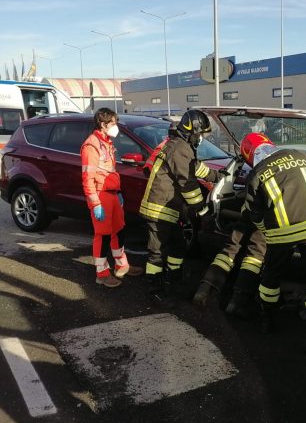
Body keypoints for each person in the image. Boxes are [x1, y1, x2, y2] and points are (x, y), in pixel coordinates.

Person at [240, 132, 306, 352]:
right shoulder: (298, 155)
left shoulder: (255, 175)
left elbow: (254, 214)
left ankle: (266, 319)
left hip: (281, 233)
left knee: (271, 276)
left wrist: (268, 232)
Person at [139, 109, 221, 305]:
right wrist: (202, 209)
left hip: (167, 208)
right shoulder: (180, 149)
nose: (201, 138)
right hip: (159, 209)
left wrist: (219, 177)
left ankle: (173, 281)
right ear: (193, 130)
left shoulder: (181, 147)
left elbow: (195, 168)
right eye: (201, 134)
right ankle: (155, 290)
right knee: (157, 252)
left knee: (178, 246)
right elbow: (188, 184)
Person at [81, 107, 142, 288]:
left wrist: (119, 192)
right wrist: (96, 203)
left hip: (112, 194)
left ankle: (121, 265)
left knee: (119, 230)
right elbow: (87, 179)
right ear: (103, 124)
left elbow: (110, 171)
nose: (116, 127)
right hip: (101, 196)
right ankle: (102, 273)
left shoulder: (106, 143)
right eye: (113, 123)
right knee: (103, 235)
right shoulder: (91, 145)